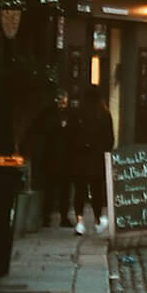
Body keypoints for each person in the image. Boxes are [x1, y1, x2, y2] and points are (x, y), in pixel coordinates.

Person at [25, 91, 75, 227]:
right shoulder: (51, 115)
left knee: (60, 188)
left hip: (61, 157)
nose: (62, 103)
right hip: (53, 155)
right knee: (51, 188)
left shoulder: (67, 115)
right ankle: (49, 216)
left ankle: (59, 216)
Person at [69, 97, 114, 235]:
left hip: (80, 159)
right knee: (96, 191)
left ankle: (80, 222)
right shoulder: (104, 114)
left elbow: (70, 136)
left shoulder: (78, 114)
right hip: (97, 159)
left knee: (80, 191)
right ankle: (97, 220)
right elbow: (110, 139)